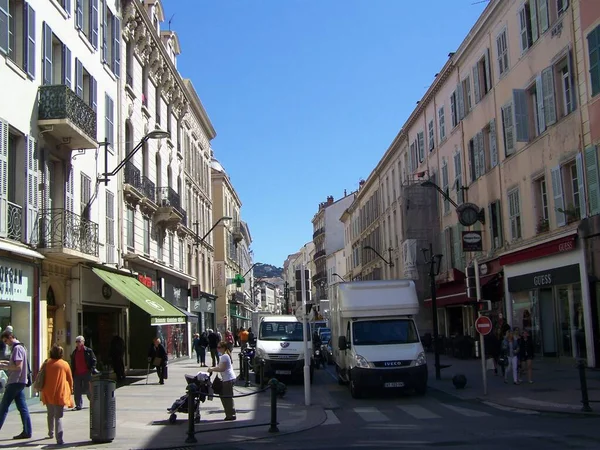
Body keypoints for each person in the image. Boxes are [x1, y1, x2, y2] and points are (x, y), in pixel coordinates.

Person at [0, 329, 32, 439]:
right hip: (20, 382)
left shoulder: (17, 348)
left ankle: (27, 431)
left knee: (3, 407)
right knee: (22, 407)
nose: (6, 344)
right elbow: (15, 363)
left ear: (10, 337)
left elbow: (18, 366)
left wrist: (4, 367)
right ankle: (27, 431)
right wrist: (4, 363)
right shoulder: (20, 347)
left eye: (5, 341)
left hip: (15, 381)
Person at [40, 345, 74, 445]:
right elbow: (70, 379)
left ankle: (50, 432)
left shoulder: (46, 363)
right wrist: (71, 389)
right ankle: (59, 439)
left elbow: (41, 374)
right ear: (61, 354)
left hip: (47, 392)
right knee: (58, 417)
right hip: (60, 393)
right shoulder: (64, 364)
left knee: (50, 413)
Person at [208, 341, 237, 421]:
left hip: (228, 379)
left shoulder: (224, 356)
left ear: (224, 348)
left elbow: (222, 368)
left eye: (219, 347)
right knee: (225, 396)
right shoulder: (225, 356)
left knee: (227, 397)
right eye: (217, 347)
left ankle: (230, 414)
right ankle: (229, 413)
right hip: (227, 378)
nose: (218, 349)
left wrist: (212, 369)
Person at [70, 336, 97, 410]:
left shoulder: (88, 351)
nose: (78, 343)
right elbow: (73, 363)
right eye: (77, 341)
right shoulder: (74, 352)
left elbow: (94, 360)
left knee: (88, 389)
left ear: (83, 342)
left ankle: (93, 403)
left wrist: (92, 369)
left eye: (79, 341)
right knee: (77, 390)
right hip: (77, 374)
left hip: (86, 373)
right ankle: (78, 405)